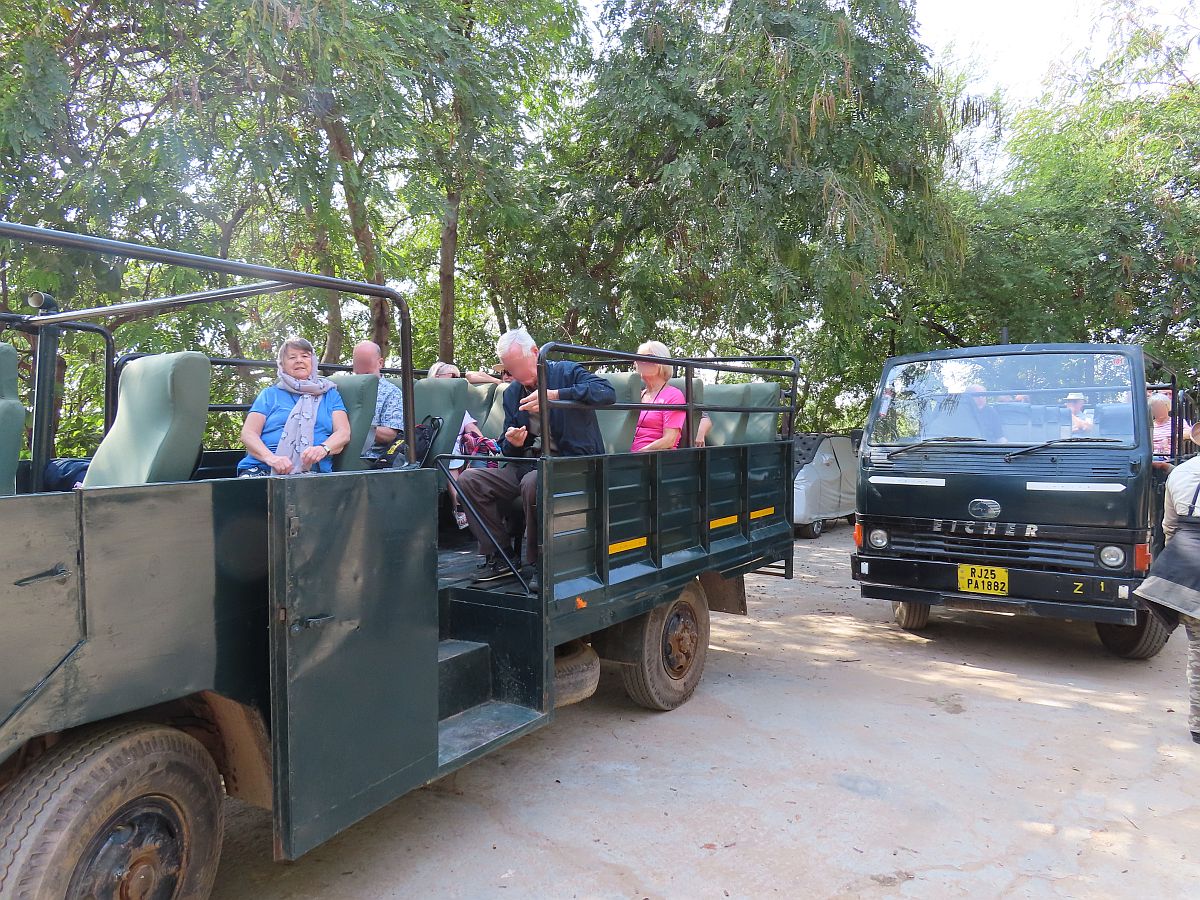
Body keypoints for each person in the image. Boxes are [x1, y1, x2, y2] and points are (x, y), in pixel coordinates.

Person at [457, 327, 616, 590]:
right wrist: (514, 442)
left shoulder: (566, 372)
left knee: (534, 481)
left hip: (571, 464)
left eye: (520, 365)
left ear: (535, 352)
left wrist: (555, 396)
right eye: (511, 369)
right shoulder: (512, 393)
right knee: (470, 480)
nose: (517, 374)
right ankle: (502, 557)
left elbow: (607, 392)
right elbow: (507, 447)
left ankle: (540, 562)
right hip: (529, 463)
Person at [1134, 453, 1200, 745]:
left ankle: (1198, 725)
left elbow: (1170, 529)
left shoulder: (1181, 474)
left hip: (1186, 574)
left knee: (1198, 651)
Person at [238, 338, 351, 475]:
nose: (299, 360)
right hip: (263, 468)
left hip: (312, 472)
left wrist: (323, 449)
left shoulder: (330, 395)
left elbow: (343, 433)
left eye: (305, 356)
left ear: (313, 361)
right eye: (292, 357)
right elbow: (248, 433)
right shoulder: (269, 394)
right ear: (282, 364)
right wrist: (271, 458)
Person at [352, 340, 405, 461]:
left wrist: (358, 428)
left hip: (370, 457)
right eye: (358, 362)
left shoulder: (392, 393)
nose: (361, 366)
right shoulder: (346, 388)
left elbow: (390, 434)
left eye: (366, 362)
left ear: (380, 363)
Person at [630, 340, 686, 452]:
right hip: (626, 454)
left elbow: (669, 440)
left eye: (648, 358)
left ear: (662, 362)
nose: (642, 362)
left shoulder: (674, 395)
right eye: (639, 358)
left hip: (655, 458)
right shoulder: (639, 395)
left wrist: (638, 453)